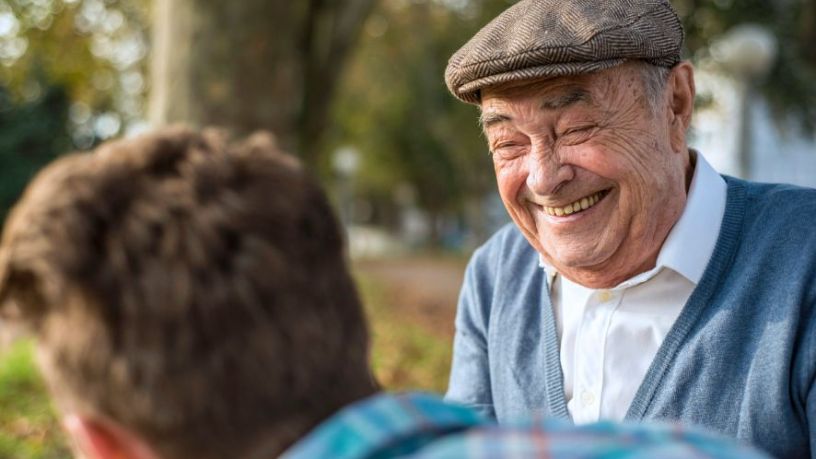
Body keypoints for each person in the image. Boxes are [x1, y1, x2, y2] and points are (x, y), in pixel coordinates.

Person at [0, 127, 766, 459]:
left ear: (102, 444)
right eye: (507, 140)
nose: (544, 175)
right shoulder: (688, 449)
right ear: (345, 315)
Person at [442, 0, 816, 458]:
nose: (542, 178)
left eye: (576, 128)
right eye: (509, 143)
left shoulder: (805, 262)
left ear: (676, 105)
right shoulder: (496, 276)